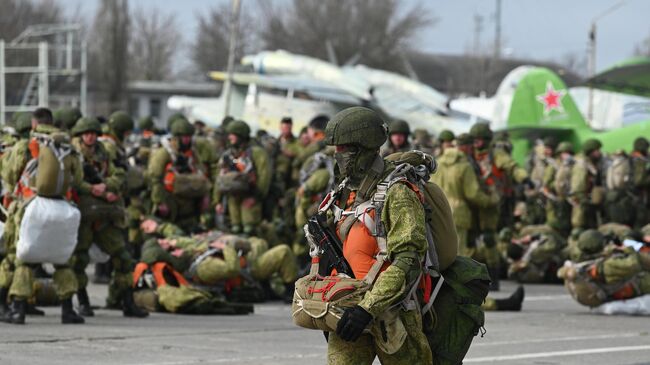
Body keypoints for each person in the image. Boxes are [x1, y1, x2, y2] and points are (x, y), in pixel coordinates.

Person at [321, 107, 433, 364]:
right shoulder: (344, 191)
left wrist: (368, 308)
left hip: (394, 313)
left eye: (344, 148)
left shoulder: (398, 192)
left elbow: (408, 260)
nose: (337, 155)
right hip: (348, 310)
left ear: (364, 148)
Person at [0, 108, 84, 324]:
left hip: (32, 208)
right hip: (61, 209)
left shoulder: (25, 145)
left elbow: (9, 174)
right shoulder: (66, 146)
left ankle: (18, 309)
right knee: (63, 260)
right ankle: (68, 310)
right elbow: (78, 179)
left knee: (24, 259)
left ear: (34, 124)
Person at [69, 117, 149, 318]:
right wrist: (92, 189)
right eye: (86, 134)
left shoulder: (104, 152)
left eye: (93, 133)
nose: (90, 137)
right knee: (79, 260)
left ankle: (127, 301)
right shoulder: (73, 153)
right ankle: (83, 301)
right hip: (84, 215)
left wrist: (107, 186)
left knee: (123, 258)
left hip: (105, 215)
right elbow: (73, 181)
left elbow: (119, 175)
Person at [469, 123, 530, 290]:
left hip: (491, 201)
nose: (476, 143)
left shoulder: (496, 155)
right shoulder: (468, 155)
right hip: (472, 201)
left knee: (489, 238)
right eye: (474, 140)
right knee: (469, 239)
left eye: (480, 140)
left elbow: (512, 166)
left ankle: (493, 276)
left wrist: (524, 178)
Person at [430, 133, 499, 258]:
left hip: (437, 213)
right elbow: (473, 194)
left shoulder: (437, 163)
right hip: (458, 214)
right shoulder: (465, 166)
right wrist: (490, 201)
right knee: (457, 254)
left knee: (439, 253)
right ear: (467, 147)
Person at [213, 120, 271, 235]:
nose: (230, 137)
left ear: (241, 135)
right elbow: (220, 179)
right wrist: (217, 201)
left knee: (250, 229)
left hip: (250, 198)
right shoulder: (227, 155)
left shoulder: (257, 153)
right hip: (232, 199)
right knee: (234, 229)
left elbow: (264, 177)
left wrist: (256, 197)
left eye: (232, 134)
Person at [570, 138, 605, 230]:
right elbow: (578, 185)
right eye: (596, 150)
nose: (599, 153)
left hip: (590, 202)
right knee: (580, 227)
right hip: (583, 204)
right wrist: (583, 200)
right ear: (590, 152)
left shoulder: (593, 164)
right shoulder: (581, 166)